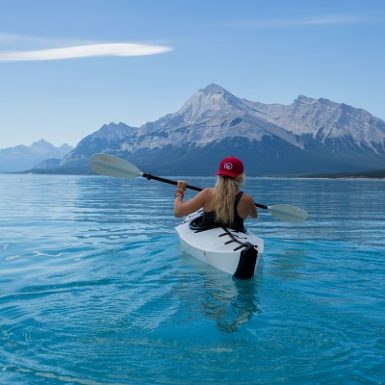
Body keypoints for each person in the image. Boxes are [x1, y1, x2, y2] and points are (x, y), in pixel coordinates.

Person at [173, 156, 257, 232]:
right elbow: (254, 215)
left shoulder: (207, 193)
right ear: (241, 177)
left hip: (207, 237)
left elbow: (178, 212)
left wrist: (179, 192)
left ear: (219, 175)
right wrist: (250, 205)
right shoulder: (247, 199)